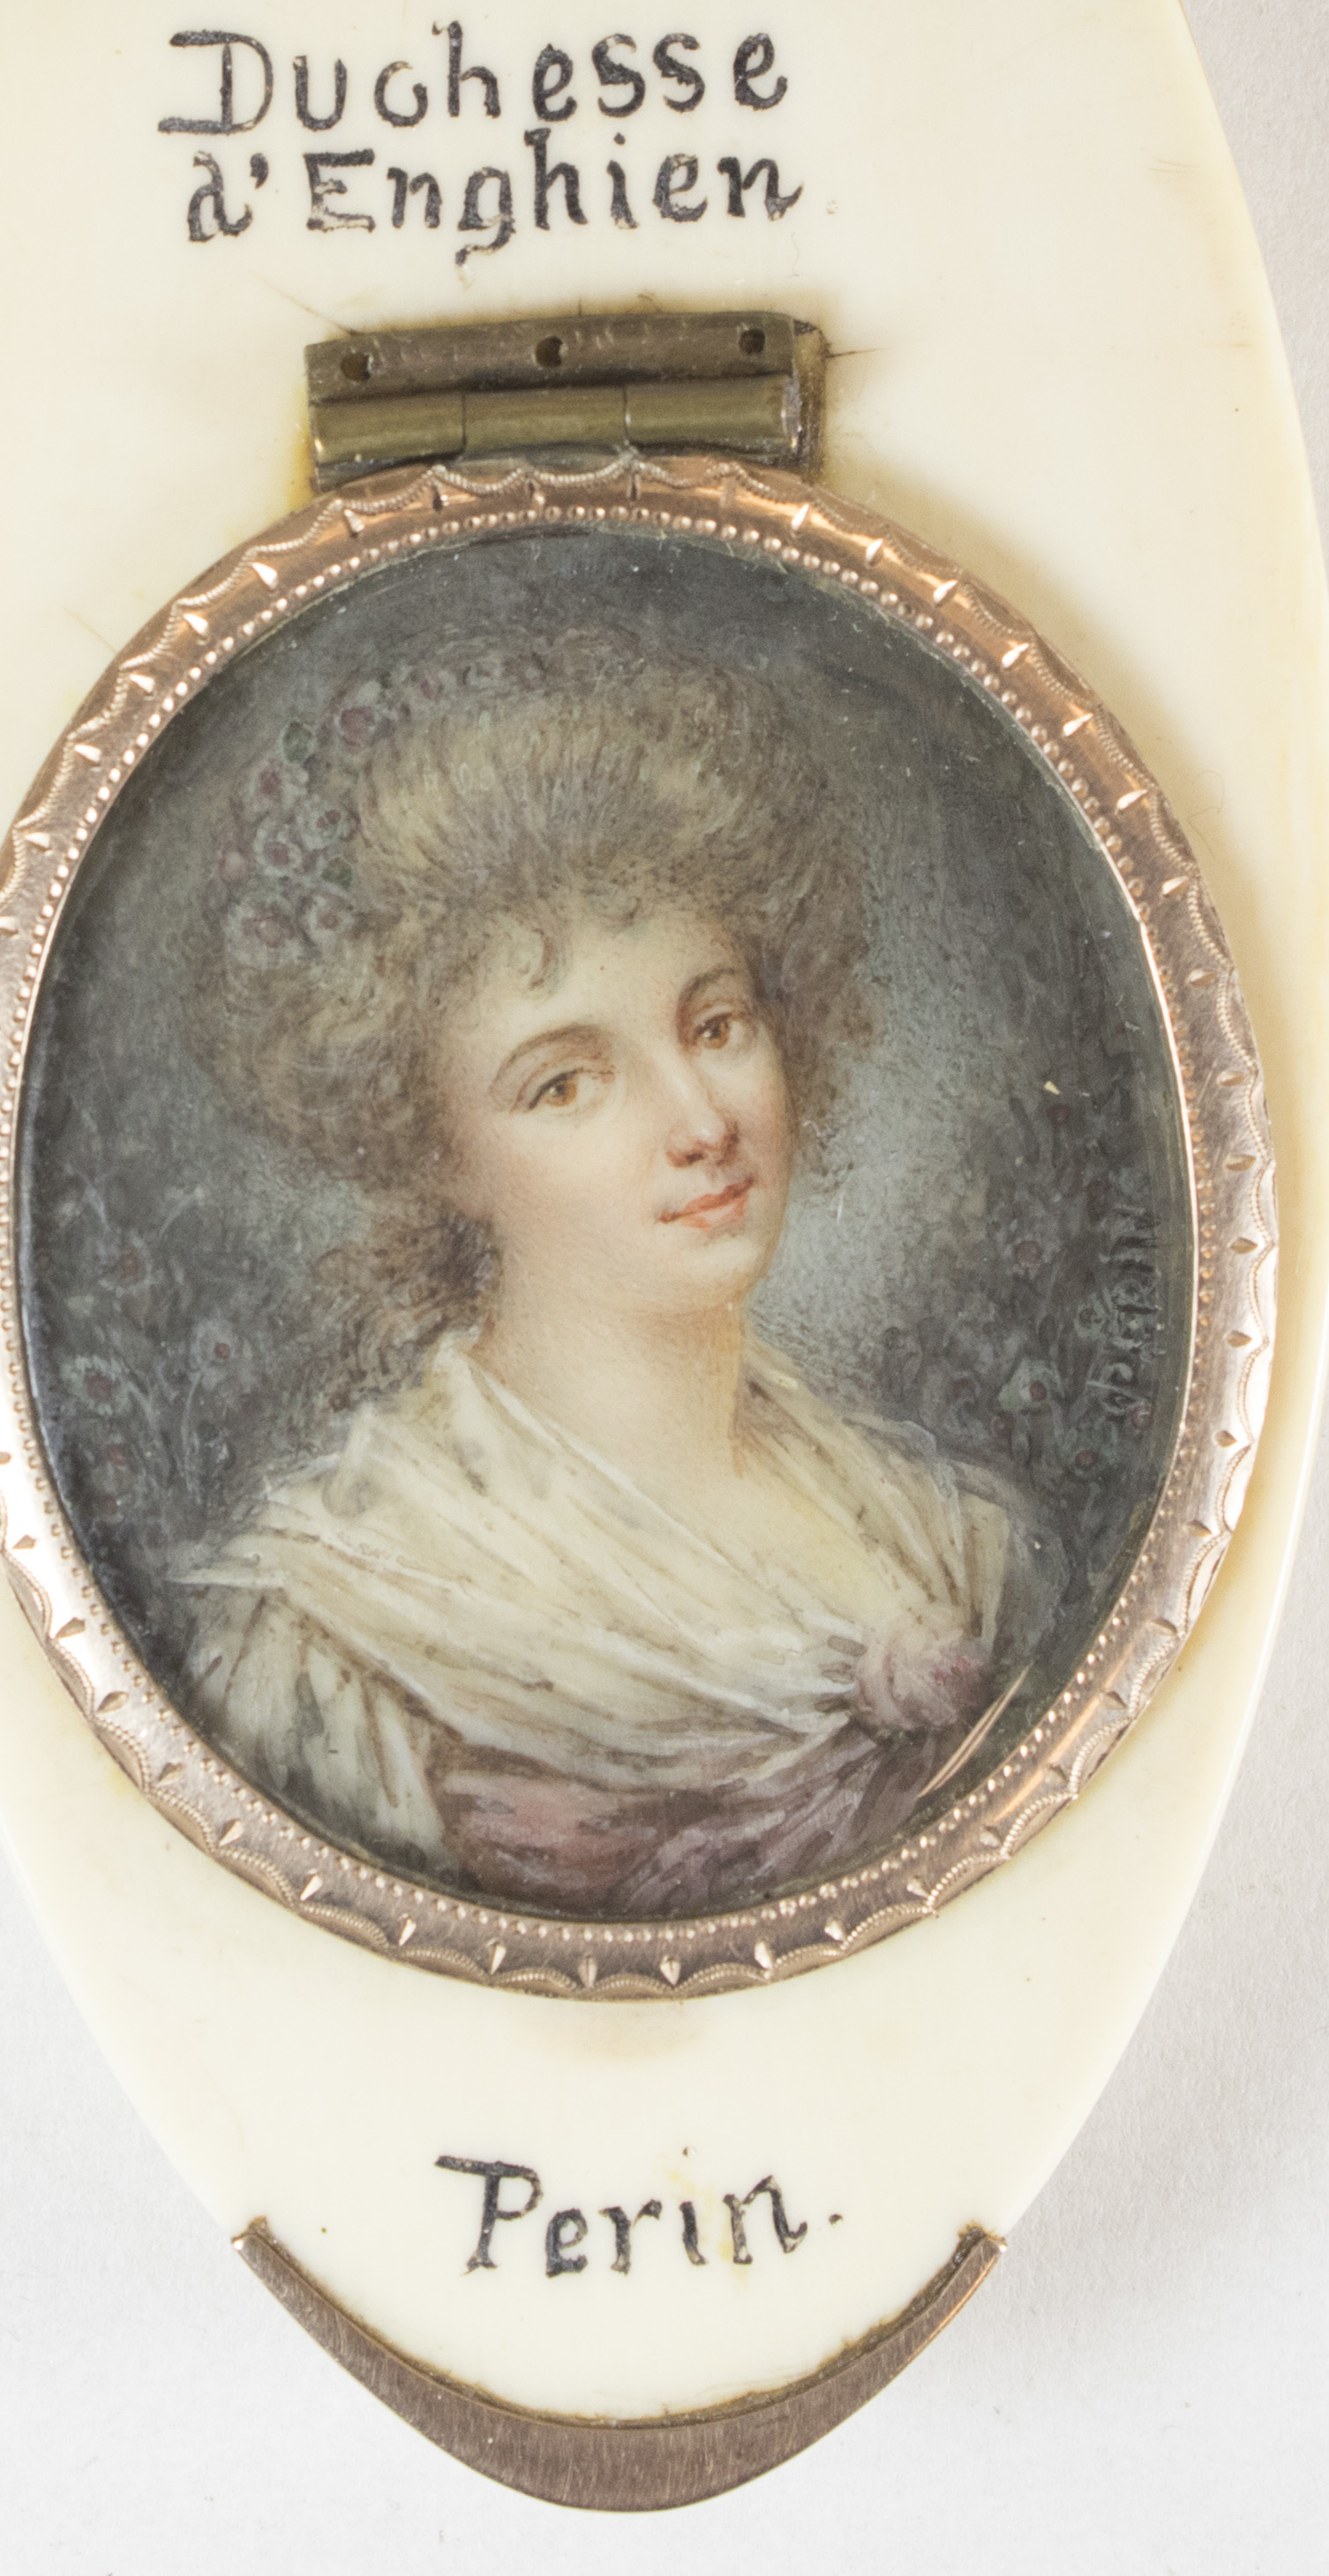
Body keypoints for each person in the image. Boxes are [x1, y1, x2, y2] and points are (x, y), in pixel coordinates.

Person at [180, 625, 1057, 1920]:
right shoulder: (343, 1626)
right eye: (568, 1082)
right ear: (438, 1155)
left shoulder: (944, 1536)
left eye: (717, 1023)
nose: (700, 1119)